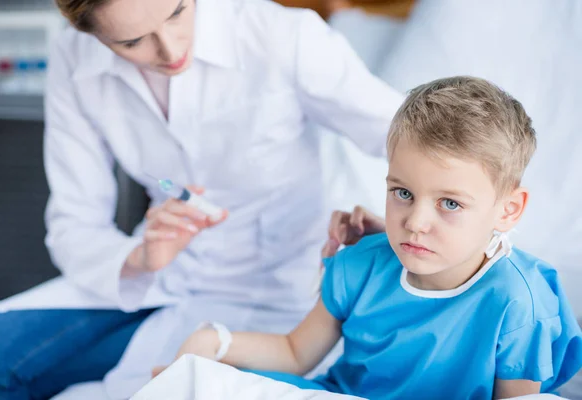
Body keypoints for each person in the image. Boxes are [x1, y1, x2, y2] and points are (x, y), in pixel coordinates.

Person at [0, 0, 405, 398]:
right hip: (162, 286)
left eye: (177, 11)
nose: (171, 49)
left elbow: (418, 141)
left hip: (287, 297)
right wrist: (141, 259)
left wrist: (411, 220)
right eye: (132, 42)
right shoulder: (74, 59)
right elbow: (73, 224)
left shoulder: (280, 36)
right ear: (90, 33)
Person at [162, 76, 582, 399]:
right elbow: (295, 353)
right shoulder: (360, 264)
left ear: (507, 210)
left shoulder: (518, 303)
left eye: (449, 203)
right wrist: (216, 342)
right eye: (403, 193)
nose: (415, 222)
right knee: (197, 384)